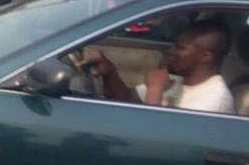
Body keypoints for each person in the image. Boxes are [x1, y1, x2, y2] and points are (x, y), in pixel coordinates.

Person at [82, 19, 235, 114]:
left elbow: (162, 143)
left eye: (180, 48)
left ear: (205, 57)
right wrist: (109, 72)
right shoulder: (179, 82)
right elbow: (127, 99)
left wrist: (155, 89)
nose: (171, 51)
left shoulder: (214, 99)